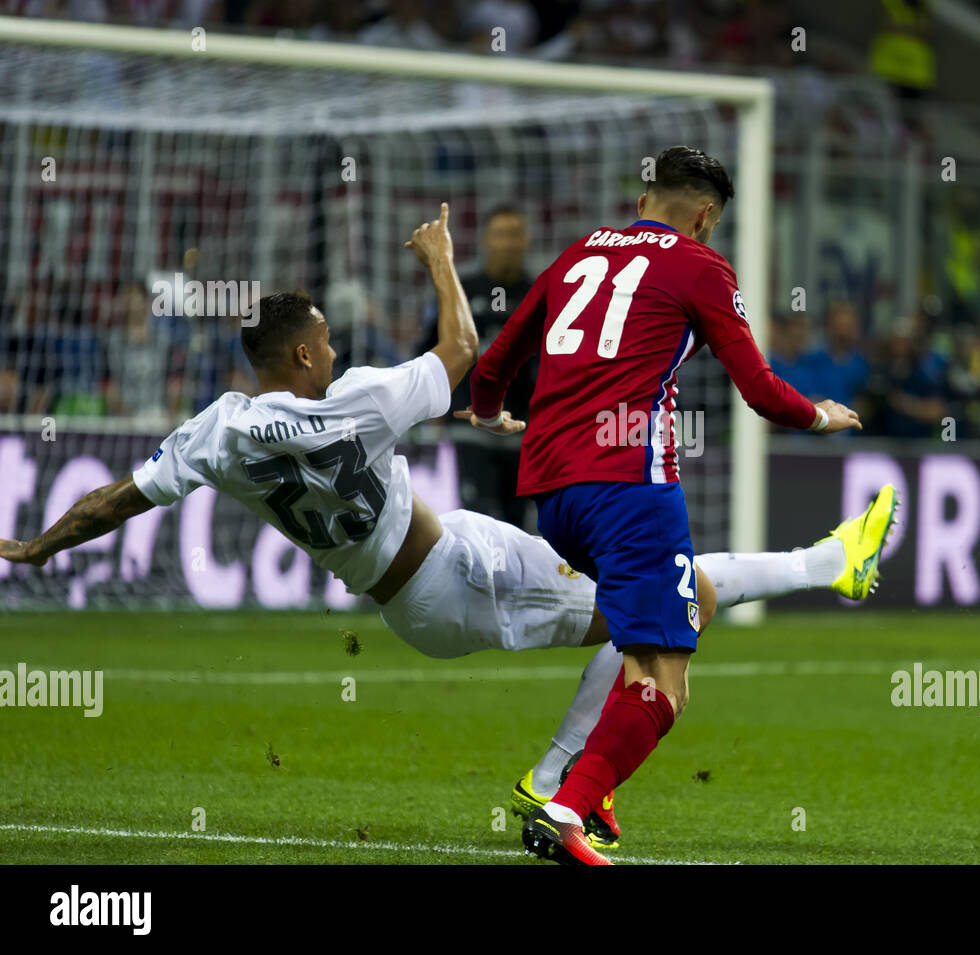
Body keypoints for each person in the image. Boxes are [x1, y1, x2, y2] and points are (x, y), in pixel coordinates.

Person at [0, 204, 888, 853]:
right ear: (305, 356)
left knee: (657, 598)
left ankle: (828, 561)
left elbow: (115, 498)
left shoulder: (216, 430)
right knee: (661, 609)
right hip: (459, 574)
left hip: (417, 592)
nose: (339, 350)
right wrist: (441, 260)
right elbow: (463, 352)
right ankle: (559, 782)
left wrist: (38, 546)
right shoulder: (355, 404)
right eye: (328, 340)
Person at [466, 146, 897, 864]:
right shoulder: (701, 265)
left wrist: (487, 415)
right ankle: (567, 806)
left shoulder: (578, 254)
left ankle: (559, 781)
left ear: (644, 200)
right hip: (629, 485)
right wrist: (819, 415)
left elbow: (493, 366)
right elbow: (759, 391)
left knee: (686, 596)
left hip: (550, 493)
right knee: (664, 682)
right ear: (704, 215)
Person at [421, 205, 536, 528]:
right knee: (479, 520)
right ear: (486, 240)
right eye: (501, 234)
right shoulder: (463, 291)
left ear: (526, 240)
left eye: (515, 234)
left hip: (522, 431)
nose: (508, 243)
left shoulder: (539, 291)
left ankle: (511, 581)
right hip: (468, 427)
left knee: (517, 526)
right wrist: (433, 409)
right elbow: (431, 349)